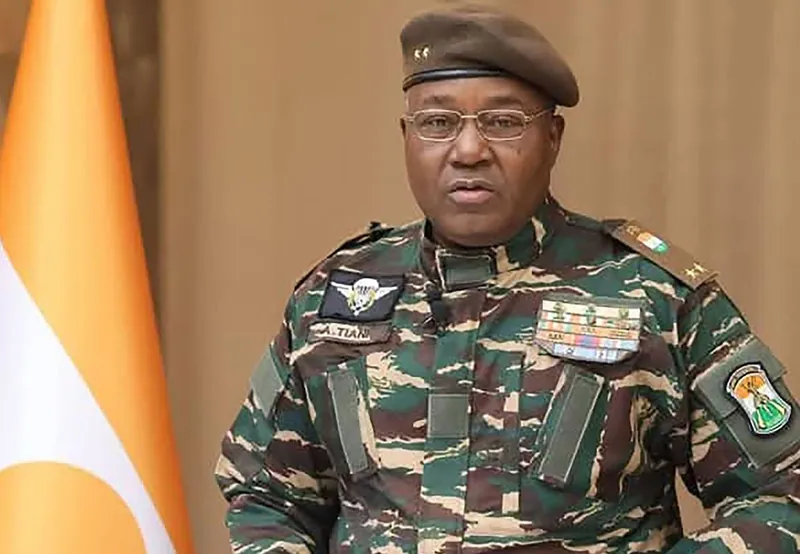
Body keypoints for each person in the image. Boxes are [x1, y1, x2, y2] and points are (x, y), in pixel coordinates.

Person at [214, 4, 800, 553]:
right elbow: (268, 497)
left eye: (502, 121)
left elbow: (780, 495)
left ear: (553, 137)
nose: (469, 149)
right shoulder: (334, 298)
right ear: (406, 137)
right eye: (438, 122)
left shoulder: (654, 296)